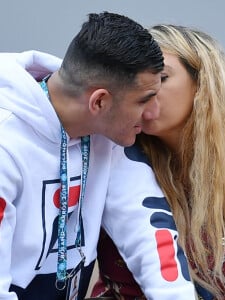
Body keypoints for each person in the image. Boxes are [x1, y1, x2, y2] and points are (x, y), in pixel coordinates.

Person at [92, 24, 225, 299]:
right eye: (130, 80)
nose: (142, 89)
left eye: (161, 77)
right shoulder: (107, 157)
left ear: (203, 83)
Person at [0, 11, 164, 300]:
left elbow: (148, 229)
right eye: (144, 101)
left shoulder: (108, 132)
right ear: (99, 101)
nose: (153, 114)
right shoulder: (6, 145)